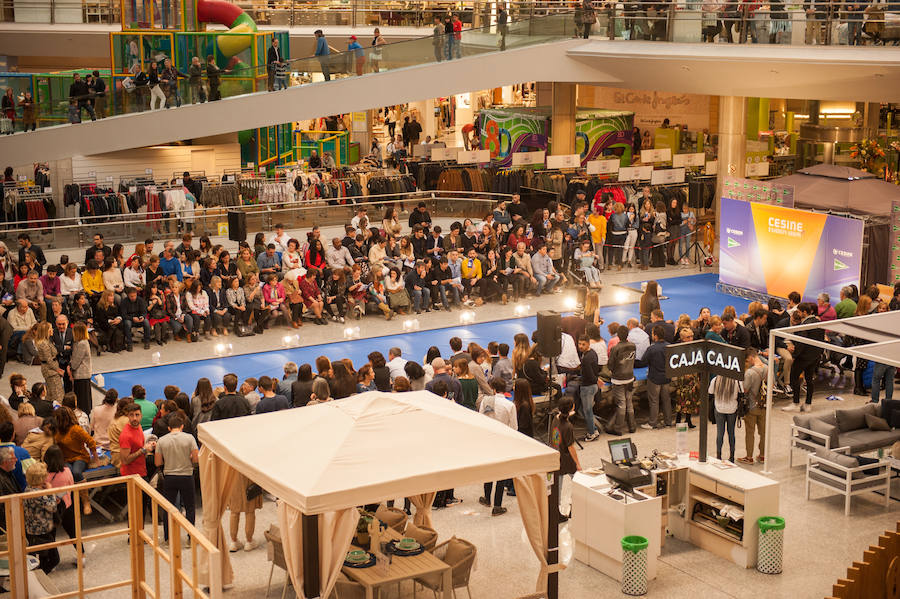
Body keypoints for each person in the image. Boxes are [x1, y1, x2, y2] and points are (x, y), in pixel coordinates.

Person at [155, 413, 198, 542]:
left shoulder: (161, 440)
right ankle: (191, 537)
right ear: (182, 426)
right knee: (190, 507)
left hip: (170, 477)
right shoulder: (189, 438)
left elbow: (158, 463)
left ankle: (168, 538)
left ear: (169, 428)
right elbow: (196, 459)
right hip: (186, 476)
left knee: (169, 508)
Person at [479, 378, 517, 516]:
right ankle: (497, 505)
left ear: (494, 389)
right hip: (504, 442)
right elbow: (514, 427)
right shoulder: (510, 405)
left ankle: (486, 498)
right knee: (502, 474)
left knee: (489, 470)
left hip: (488, 440)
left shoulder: (485, 401)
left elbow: (480, 420)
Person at [782, 302, 824, 413]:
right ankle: (808, 404)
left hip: (804, 356)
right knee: (809, 380)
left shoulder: (805, 325)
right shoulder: (818, 322)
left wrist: (795, 356)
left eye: (799, 311)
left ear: (804, 312)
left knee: (794, 377)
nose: (798, 313)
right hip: (815, 356)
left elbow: (801, 343)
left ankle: (795, 403)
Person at [22, 463, 61, 574]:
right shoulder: (37, 494)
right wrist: (50, 491)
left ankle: (40, 578)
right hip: (41, 531)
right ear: (40, 478)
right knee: (54, 559)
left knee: (44, 559)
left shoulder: (28, 489)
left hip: (34, 530)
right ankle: (39, 577)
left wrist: (48, 495)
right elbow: (52, 507)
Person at [738, 348, 767, 464]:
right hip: (764, 405)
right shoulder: (767, 368)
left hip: (752, 406)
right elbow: (772, 384)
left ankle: (749, 456)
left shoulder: (749, 372)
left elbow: (744, 389)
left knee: (750, 432)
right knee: (763, 432)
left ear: (750, 357)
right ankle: (763, 455)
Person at [606, 326, 636, 435]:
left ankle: (618, 428)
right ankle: (632, 427)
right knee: (629, 402)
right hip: (630, 378)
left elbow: (610, 365)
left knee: (621, 404)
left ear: (618, 335)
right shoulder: (633, 346)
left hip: (618, 379)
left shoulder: (615, 348)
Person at [710, 373, 742, 463]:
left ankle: (718, 455)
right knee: (731, 433)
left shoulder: (715, 380)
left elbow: (710, 393)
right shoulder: (736, 381)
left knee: (720, 433)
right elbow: (741, 393)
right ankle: (732, 457)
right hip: (732, 409)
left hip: (719, 409)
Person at [577, 335, 601, 442]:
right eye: (579, 344)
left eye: (583, 344)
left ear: (588, 344)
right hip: (592, 386)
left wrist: (596, 380)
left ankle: (592, 433)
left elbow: (590, 375)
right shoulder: (592, 353)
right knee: (584, 410)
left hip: (588, 387)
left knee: (587, 411)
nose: (580, 346)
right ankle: (594, 429)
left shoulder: (586, 358)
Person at [35, 321, 64, 405]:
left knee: (50, 394)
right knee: (58, 395)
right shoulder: (44, 344)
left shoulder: (46, 341)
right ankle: (58, 413)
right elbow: (49, 360)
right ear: (46, 331)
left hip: (49, 369)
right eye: (50, 329)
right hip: (50, 371)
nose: (52, 330)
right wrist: (58, 370)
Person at [68, 322, 92, 416]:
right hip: (80, 374)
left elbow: (76, 360)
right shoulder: (79, 342)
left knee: (83, 400)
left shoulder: (82, 343)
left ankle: (84, 416)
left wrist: (70, 366)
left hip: (82, 375)